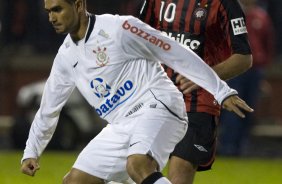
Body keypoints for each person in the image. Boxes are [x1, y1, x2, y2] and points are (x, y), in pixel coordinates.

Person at [20, 0, 253, 184]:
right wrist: (32, 151)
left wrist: (220, 90)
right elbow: (48, 108)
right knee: (75, 181)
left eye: (58, 9)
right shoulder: (65, 56)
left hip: (158, 104)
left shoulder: (120, 27)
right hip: (120, 124)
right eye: (48, 11)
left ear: (79, 5)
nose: (51, 17)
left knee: (138, 164)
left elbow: (174, 51)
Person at [139, 0, 252, 183]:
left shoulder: (225, 4)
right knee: (137, 167)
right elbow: (137, 38)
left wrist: (202, 75)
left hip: (198, 103)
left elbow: (244, 58)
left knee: (181, 169)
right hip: (155, 98)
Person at [218, 0, 275, 156]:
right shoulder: (229, 12)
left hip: (256, 71)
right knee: (233, 109)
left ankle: (241, 146)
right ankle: (228, 147)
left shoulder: (261, 16)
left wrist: (265, 75)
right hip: (235, 69)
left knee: (250, 109)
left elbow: (268, 45)